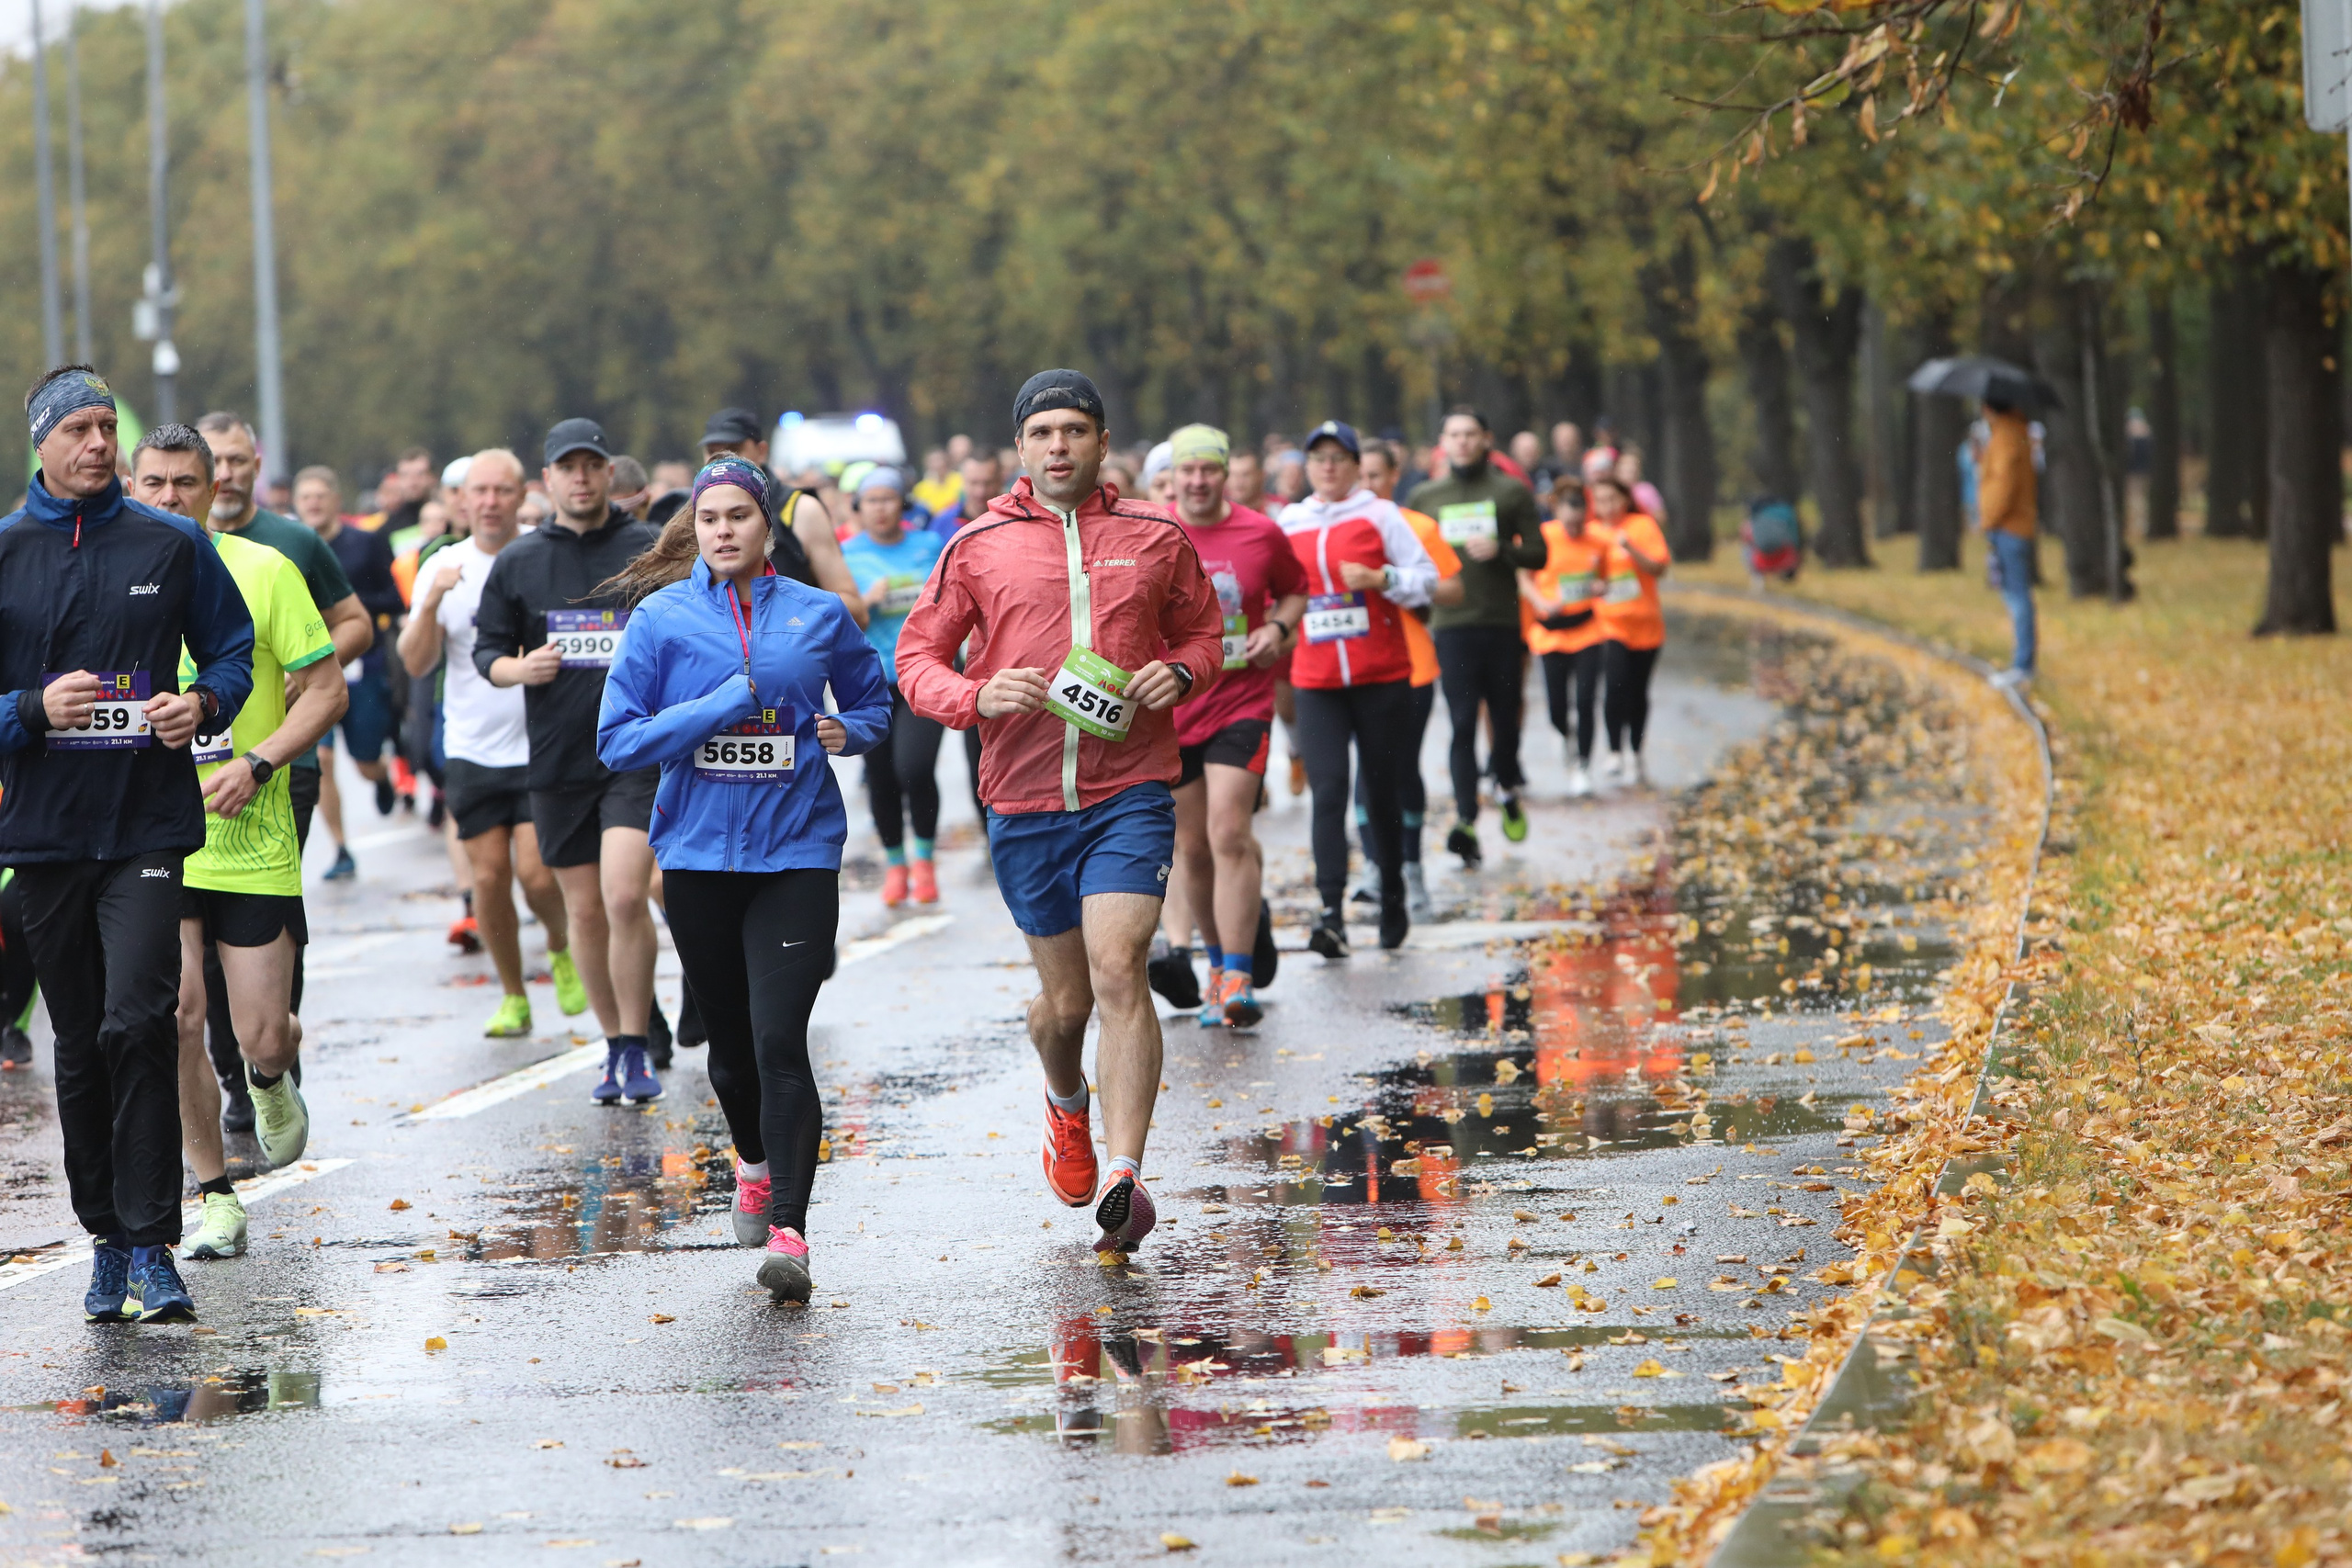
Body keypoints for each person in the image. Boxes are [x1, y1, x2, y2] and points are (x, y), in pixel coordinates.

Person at [898, 370, 1223, 1253]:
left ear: (1102, 441)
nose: (1057, 447)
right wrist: (974, 694)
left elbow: (1205, 634)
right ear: (1020, 447)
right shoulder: (976, 544)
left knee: (1121, 969)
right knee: (1065, 1004)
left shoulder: (1155, 536)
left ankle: (1126, 1173)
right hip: (1026, 799)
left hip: (1131, 791)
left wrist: (1184, 672)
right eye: (1042, 432)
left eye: (1074, 430)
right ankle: (1066, 1101)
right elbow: (917, 658)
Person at [596, 456, 891, 1303]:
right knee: (729, 1054)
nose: (724, 530)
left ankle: (792, 1229)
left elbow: (876, 701)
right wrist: (718, 705)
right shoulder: (660, 619)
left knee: (778, 1038)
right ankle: (752, 1164)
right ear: (695, 527)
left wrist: (850, 730)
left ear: (768, 529)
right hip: (695, 859)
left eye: (740, 516)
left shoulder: (818, 614)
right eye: (710, 518)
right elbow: (618, 741)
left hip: (796, 853)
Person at [0, 367, 255, 1322]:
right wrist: (28, 707)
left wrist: (202, 702)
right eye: (80, 428)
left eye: (109, 426)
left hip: (146, 827)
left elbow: (230, 650)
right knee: (76, 1041)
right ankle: (106, 1239)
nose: (101, 444)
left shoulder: (173, 542)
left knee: (137, 1020)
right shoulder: (7, 550)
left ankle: (155, 1245)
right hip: (46, 835)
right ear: (42, 442)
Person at [131, 425, 345, 1260]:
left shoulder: (264, 571)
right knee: (180, 1015)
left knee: (261, 1032)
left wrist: (258, 763)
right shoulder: (110, 578)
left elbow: (325, 690)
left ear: (215, 487)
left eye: (187, 482)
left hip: (250, 833)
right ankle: (214, 1193)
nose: (171, 498)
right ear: (132, 484)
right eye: (154, 483)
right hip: (155, 833)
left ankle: (266, 1077)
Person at [475, 420, 667, 1100]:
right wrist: (516, 669)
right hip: (557, 758)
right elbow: (486, 653)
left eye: (592, 465)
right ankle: (615, 1043)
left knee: (623, 894)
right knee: (583, 910)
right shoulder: (520, 561)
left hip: (635, 755)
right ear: (548, 480)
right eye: (568, 467)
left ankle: (640, 1044)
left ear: (610, 474)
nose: (581, 477)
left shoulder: (647, 548)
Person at [398, 449, 588, 1037]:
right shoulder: (444, 566)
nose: (488, 502)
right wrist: (431, 601)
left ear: (522, 494)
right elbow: (416, 660)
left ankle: (558, 945)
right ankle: (513, 996)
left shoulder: (545, 552)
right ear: (461, 499)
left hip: (540, 746)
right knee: (487, 882)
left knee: (535, 875)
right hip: (473, 748)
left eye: (501, 491)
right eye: (478, 491)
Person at [1159, 424, 1306, 1027]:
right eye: (1187, 471)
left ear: (1225, 473)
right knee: (1192, 848)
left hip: (1240, 700)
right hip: (1170, 706)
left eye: (1208, 470)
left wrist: (1278, 629)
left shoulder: (1261, 531)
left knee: (1228, 832)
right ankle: (1216, 962)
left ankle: (1240, 973)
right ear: (1172, 477)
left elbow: (1296, 592)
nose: (1198, 481)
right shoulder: (1153, 531)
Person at [1275, 421, 1437, 956]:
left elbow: (1427, 578)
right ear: (1308, 465)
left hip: (1379, 677)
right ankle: (1330, 913)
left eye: (1338, 458)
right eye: (1318, 458)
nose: (1328, 467)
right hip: (1315, 680)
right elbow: (1275, 590)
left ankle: (1391, 891)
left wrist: (1381, 579)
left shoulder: (1379, 514)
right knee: (1329, 792)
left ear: (1352, 464)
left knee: (1380, 788)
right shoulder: (1290, 521)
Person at [195, 414, 373, 871]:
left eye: (238, 460)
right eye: (215, 461)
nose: (228, 473)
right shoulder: (167, 542)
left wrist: (308, 672)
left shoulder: (294, 541)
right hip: (192, 763)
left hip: (286, 757)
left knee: (270, 916)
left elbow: (356, 622)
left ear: (256, 465)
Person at [1408, 407, 1545, 868]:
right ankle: (1465, 819)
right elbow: (1410, 557)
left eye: (1471, 434)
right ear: (1442, 443)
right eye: (1454, 435)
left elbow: (1540, 554)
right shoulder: (1427, 496)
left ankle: (1505, 787)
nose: (1463, 442)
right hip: (1452, 626)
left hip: (1503, 624)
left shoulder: (1510, 491)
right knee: (1463, 723)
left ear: (1487, 439)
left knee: (1504, 723)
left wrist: (1503, 550)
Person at [1353, 439, 1462, 919]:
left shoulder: (1416, 527)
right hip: (1352, 669)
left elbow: (1453, 588)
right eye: (1361, 476)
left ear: (1395, 476)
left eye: (1376, 476)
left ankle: (1412, 867)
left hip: (1412, 666)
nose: (1367, 486)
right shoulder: (1327, 528)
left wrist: (1391, 579)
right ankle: (1376, 868)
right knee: (1362, 771)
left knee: (1400, 768)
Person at [839, 466, 948, 906]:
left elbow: (953, 597)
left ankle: (924, 859)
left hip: (924, 673)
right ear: (859, 508)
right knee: (881, 776)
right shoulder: (845, 554)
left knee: (915, 768)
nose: (880, 508)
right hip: (867, 681)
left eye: (888, 499)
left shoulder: (928, 546)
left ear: (902, 504)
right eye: (872, 500)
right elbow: (833, 615)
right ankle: (896, 864)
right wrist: (867, 601)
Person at [295, 466, 404, 848]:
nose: (314, 503)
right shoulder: (289, 546)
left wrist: (344, 608)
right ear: (297, 504)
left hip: (362, 664)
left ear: (336, 502)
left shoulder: (366, 543)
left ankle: (382, 775)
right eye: (306, 497)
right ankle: (341, 847)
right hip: (307, 667)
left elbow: (394, 598)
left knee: (365, 763)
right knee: (320, 761)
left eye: (320, 496)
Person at [697, 406, 867, 629]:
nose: (723, 461)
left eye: (734, 450)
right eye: (713, 452)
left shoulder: (800, 509)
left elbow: (856, 613)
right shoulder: (689, 515)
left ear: (762, 451)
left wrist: (787, 617)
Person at [1522, 479, 1608, 796]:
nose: (1573, 529)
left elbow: (1607, 579)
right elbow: (1523, 577)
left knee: (1586, 701)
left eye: (1579, 522)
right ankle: (1563, 733)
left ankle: (1582, 765)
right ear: (1556, 513)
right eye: (1568, 522)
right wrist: (1541, 602)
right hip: (1551, 634)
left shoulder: (1597, 541)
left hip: (1587, 630)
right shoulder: (1542, 538)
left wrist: (1601, 587)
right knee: (1558, 705)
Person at [1589, 475, 1671, 783]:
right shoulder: (1592, 532)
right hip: (1609, 623)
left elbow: (1659, 568)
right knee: (1615, 684)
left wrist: (1632, 550)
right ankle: (1614, 751)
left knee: (1638, 692)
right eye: (1599, 500)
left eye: (1612, 499)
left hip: (1646, 623)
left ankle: (1636, 749)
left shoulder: (1642, 526)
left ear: (1625, 499)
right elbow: (1582, 575)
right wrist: (1594, 585)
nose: (1606, 506)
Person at [1978, 397, 2037, 687]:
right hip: (2013, 525)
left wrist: (1988, 518)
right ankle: (2021, 663)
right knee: (2014, 595)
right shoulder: (2013, 432)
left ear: (1989, 407)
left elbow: (2004, 485)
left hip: (2009, 526)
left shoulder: (2007, 436)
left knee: (2017, 597)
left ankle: (2022, 666)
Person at [911, 446, 962, 519]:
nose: (937, 465)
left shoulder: (959, 479)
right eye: (932, 461)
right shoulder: (920, 488)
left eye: (939, 460)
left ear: (946, 461)